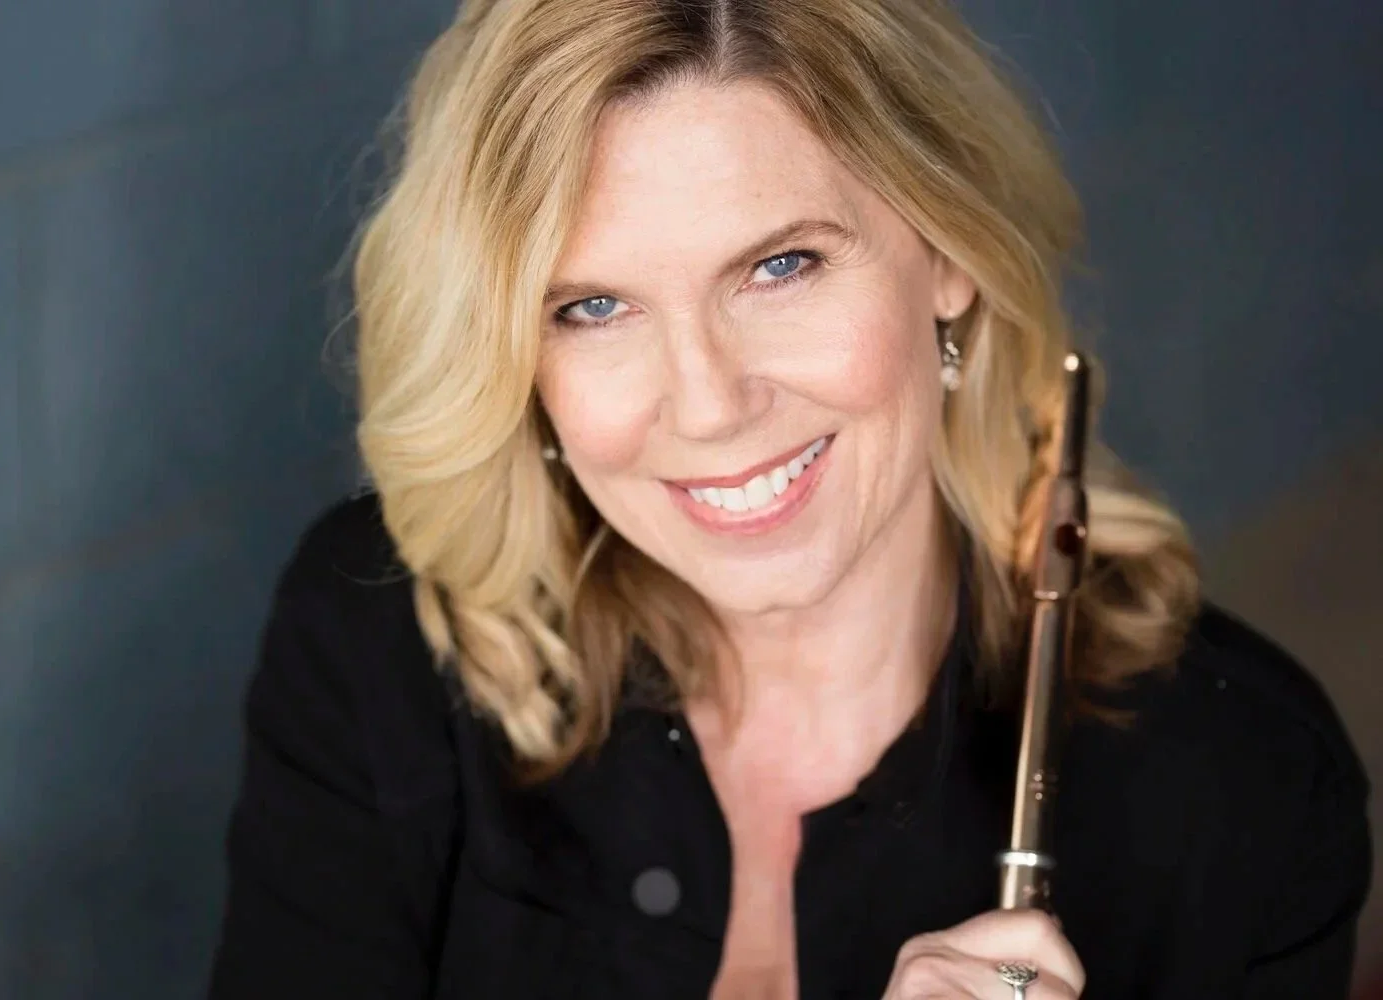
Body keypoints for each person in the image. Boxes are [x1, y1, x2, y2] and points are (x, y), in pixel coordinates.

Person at [207, 0, 1372, 997]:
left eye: (781, 266)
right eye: (593, 308)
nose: (709, 405)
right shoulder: (377, 644)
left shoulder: (1247, 789)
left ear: (950, 252)